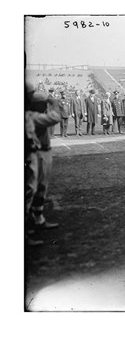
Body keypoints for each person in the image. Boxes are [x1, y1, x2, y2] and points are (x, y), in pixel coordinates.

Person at [25, 82, 61, 245]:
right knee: (31, 190)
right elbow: (54, 118)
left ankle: (38, 219)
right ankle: (27, 229)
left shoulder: (32, 113)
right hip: (36, 153)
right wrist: (53, 104)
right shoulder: (31, 115)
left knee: (41, 187)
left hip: (43, 152)